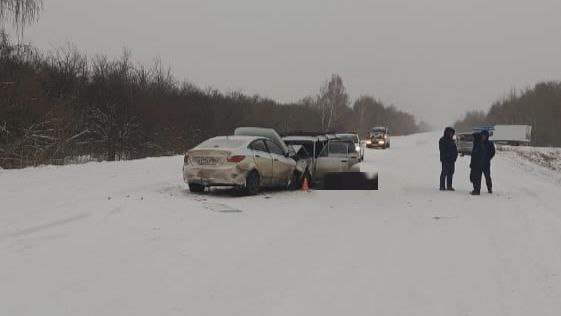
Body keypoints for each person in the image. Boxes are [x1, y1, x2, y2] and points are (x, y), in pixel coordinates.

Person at [470, 130, 495, 195]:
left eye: (485, 136)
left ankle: (489, 188)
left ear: (487, 136)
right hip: (478, 164)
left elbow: (492, 152)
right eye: (482, 136)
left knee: (487, 176)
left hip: (486, 163)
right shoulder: (478, 143)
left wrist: (488, 158)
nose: (483, 137)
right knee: (478, 177)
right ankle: (477, 189)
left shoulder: (490, 143)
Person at [439, 127, 458, 191]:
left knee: (451, 172)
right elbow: (442, 150)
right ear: (447, 132)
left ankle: (449, 186)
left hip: (452, 160)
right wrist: (447, 156)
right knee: (444, 172)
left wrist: (455, 157)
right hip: (445, 160)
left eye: (452, 133)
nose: (452, 134)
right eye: (451, 133)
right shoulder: (442, 140)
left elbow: (455, 150)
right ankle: (442, 186)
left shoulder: (452, 140)